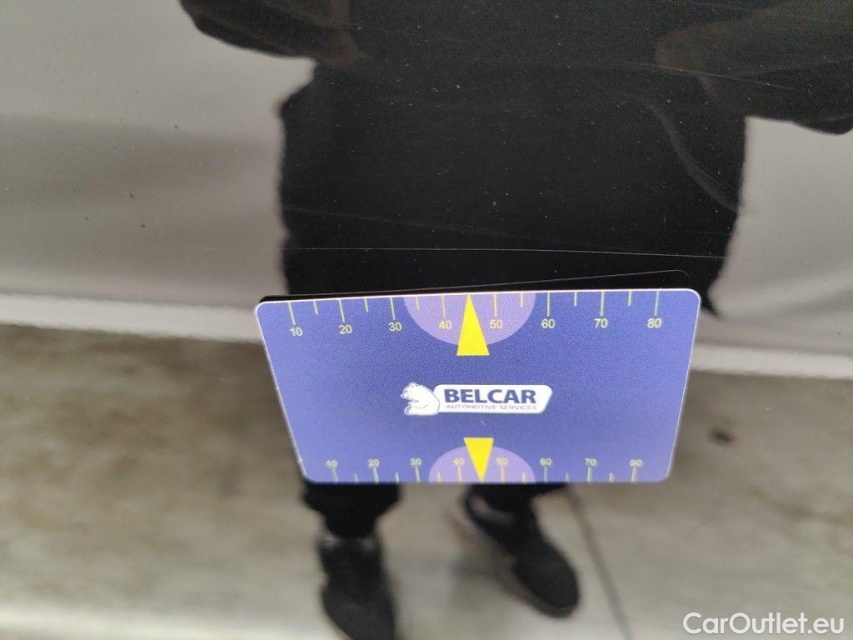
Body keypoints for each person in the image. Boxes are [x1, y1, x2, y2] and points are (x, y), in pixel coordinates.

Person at [179, 2, 852, 638]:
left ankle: (502, 507)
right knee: (360, 374)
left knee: (574, 379)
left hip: (646, 138)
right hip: (400, 118)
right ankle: (347, 534)